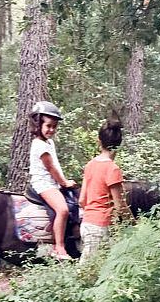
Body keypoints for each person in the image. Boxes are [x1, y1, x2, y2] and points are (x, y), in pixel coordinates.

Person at [78, 115, 132, 263]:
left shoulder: (90, 165)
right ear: (118, 145)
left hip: (86, 224)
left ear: (98, 141)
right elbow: (120, 206)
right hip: (100, 226)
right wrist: (134, 224)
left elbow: (82, 200)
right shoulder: (112, 169)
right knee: (85, 271)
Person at [28, 100, 77, 260]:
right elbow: (51, 168)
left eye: (54, 126)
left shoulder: (49, 142)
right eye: (48, 126)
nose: (51, 130)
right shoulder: (39, 145)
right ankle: (59, 247)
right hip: (44, 184)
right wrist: (64, 183)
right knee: (62, 210)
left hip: (52, 183)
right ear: (38, 125)